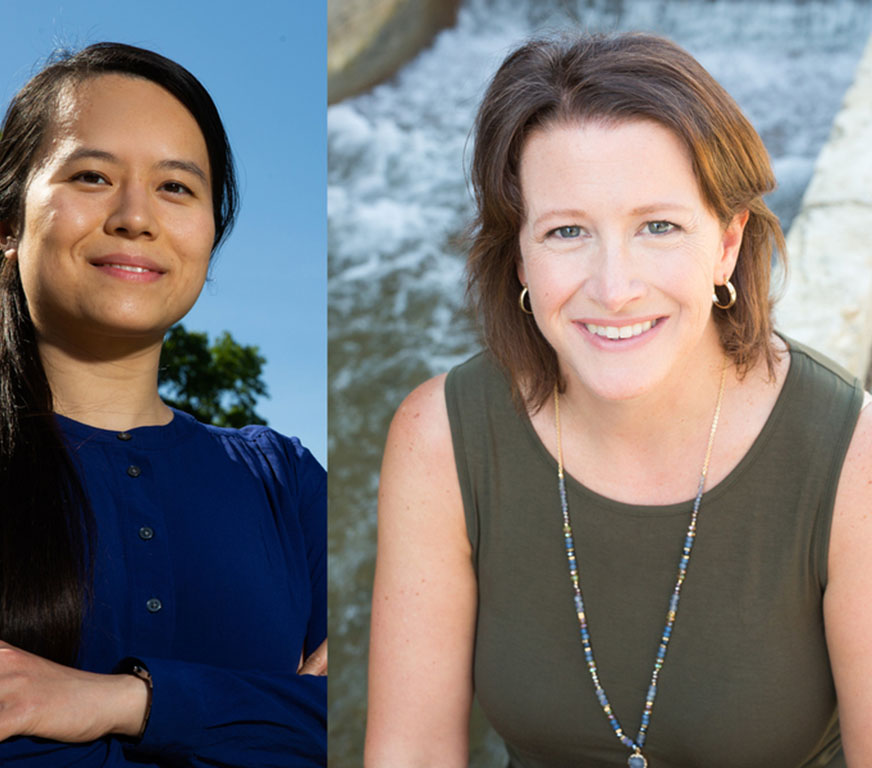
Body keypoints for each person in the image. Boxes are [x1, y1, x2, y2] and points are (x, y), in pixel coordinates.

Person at [365, 33, 872, 768]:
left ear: (727, 244)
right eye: (567, 231)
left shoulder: (850, 456)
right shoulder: (438, 437)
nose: (614, 287)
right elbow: (410, 753)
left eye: (657, 227)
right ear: (521, 260)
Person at [0, 43, 326, 768]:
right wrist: (270, 717)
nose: (136, 217)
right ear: (8, 224)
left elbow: (400, 721)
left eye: (177, 188)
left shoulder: (284, 480)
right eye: (93, 176)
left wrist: (123, 700)